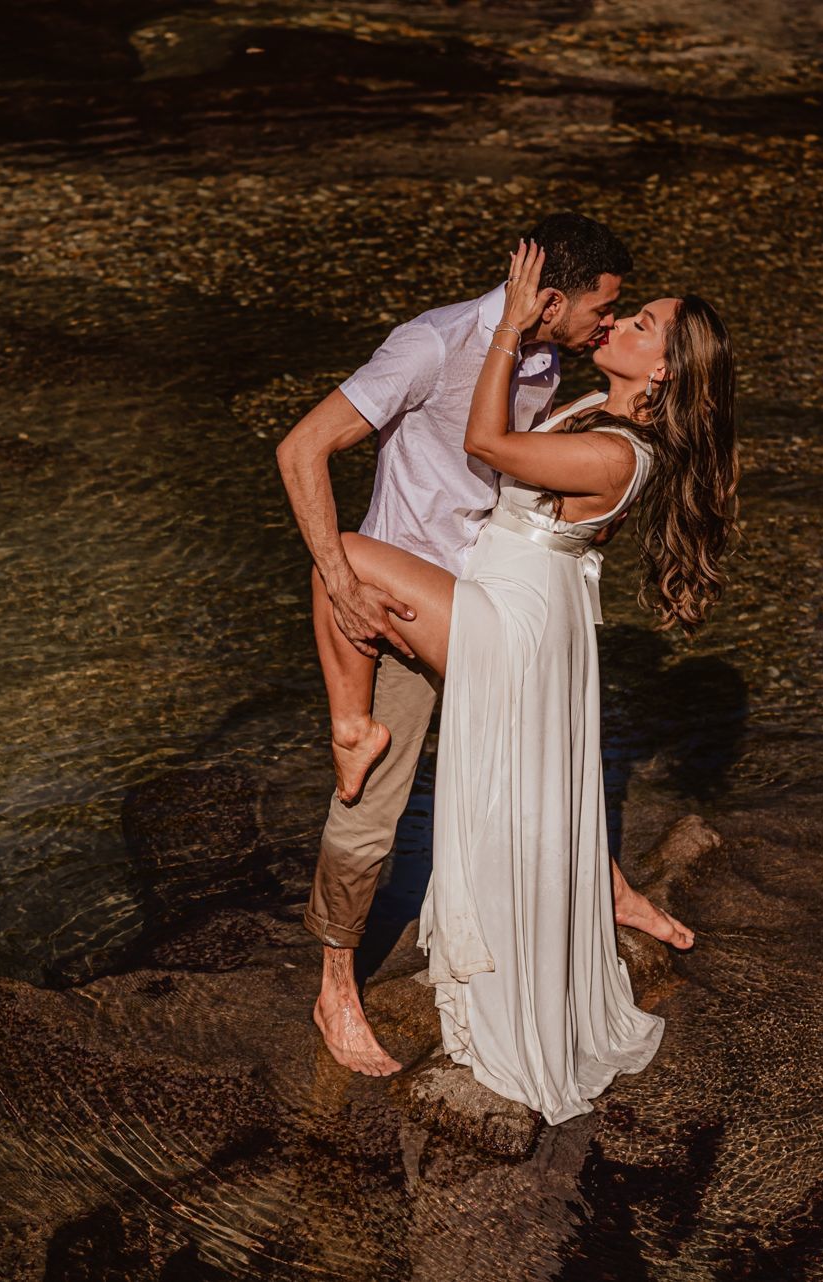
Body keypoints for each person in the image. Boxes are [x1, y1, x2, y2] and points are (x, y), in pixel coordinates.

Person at [308, 239, 738, 1120]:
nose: (616, 323)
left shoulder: (618, 448)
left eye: (638, 321)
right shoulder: (578, 399)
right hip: (498, 604)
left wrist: (507, 326)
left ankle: (350, 723)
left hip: (500, 619)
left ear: (662, 372)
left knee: (340, 554)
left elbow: (487, 444)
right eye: (615, 309)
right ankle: (595, 887)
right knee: (533, 781)